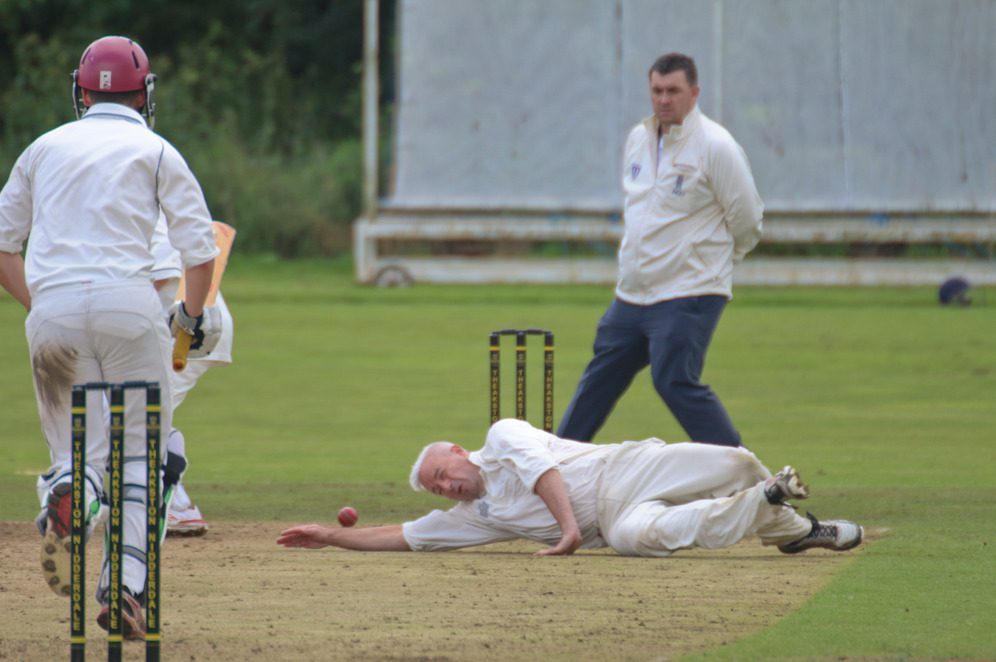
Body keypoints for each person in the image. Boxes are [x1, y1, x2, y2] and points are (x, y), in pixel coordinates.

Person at [0, 35, 219, 639]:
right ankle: (122, 586)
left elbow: (2, 247)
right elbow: (199, 255)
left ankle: (73, 487)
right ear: (145, 93)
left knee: (79, 452)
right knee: (148, 456)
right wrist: (188, 321)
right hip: (130, 310)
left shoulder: (41, 148)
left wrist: (43, 304)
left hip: (51, 314)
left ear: (80, 88)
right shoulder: (155, 150)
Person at [276, 419, 863, 558]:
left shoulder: (501, 435)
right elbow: (402, 535)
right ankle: (773, 507)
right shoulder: (478, 515)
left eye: (442, 475)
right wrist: (329, 537)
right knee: (647, 538)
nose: (445, 488)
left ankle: (794, 530)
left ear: (457, 452)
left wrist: (568, 529)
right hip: (614, 524)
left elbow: (546, 476)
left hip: (626, 470)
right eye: (437, 490)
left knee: (736, 461)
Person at [557, 52, 764, 445]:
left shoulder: (715, 146)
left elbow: (748, 218)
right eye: (657, 90)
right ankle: (553, 466)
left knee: (673, 380)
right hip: (633, 293)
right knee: (600, 376)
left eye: (673, 91)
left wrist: (717, 261)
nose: (664, 99)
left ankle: (748, 479)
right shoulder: (638, 138)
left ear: (694, 92)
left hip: (690, 290)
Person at [150, 215, 234, 536]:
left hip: (187, 326)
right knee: (128, 414)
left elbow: (165, 275)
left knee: (123, 418)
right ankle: (170, 498)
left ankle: (174, 503)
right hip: (186, 319)